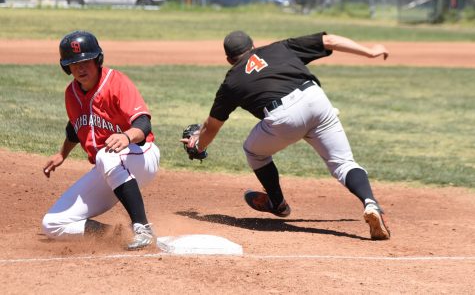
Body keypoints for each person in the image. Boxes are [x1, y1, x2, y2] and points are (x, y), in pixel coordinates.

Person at [182, 30, 391, 240]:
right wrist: (370, 52)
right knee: (344, 163)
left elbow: (212, 126)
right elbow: (330, 40)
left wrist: (198, 146)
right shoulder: (278, 48)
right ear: (253, 46)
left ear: (229, 59)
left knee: (253, 151)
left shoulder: (231, 82)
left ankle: (278, 203)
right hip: (316, 99)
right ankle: (370, 203)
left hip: (284, 117)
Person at [42, 30, 160, 250]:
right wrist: (62, 154)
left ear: (97, 60)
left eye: (86, 61)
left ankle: (143, 228)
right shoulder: (71, 93)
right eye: (74, 63)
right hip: (110, 167)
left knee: (106, 155)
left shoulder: (116, 82)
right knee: (52, 224)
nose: (80, 68)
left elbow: (144, 123)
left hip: (142, 155)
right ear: (66, 67)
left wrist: (126, 136)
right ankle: (116, 234)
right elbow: (75, 127)